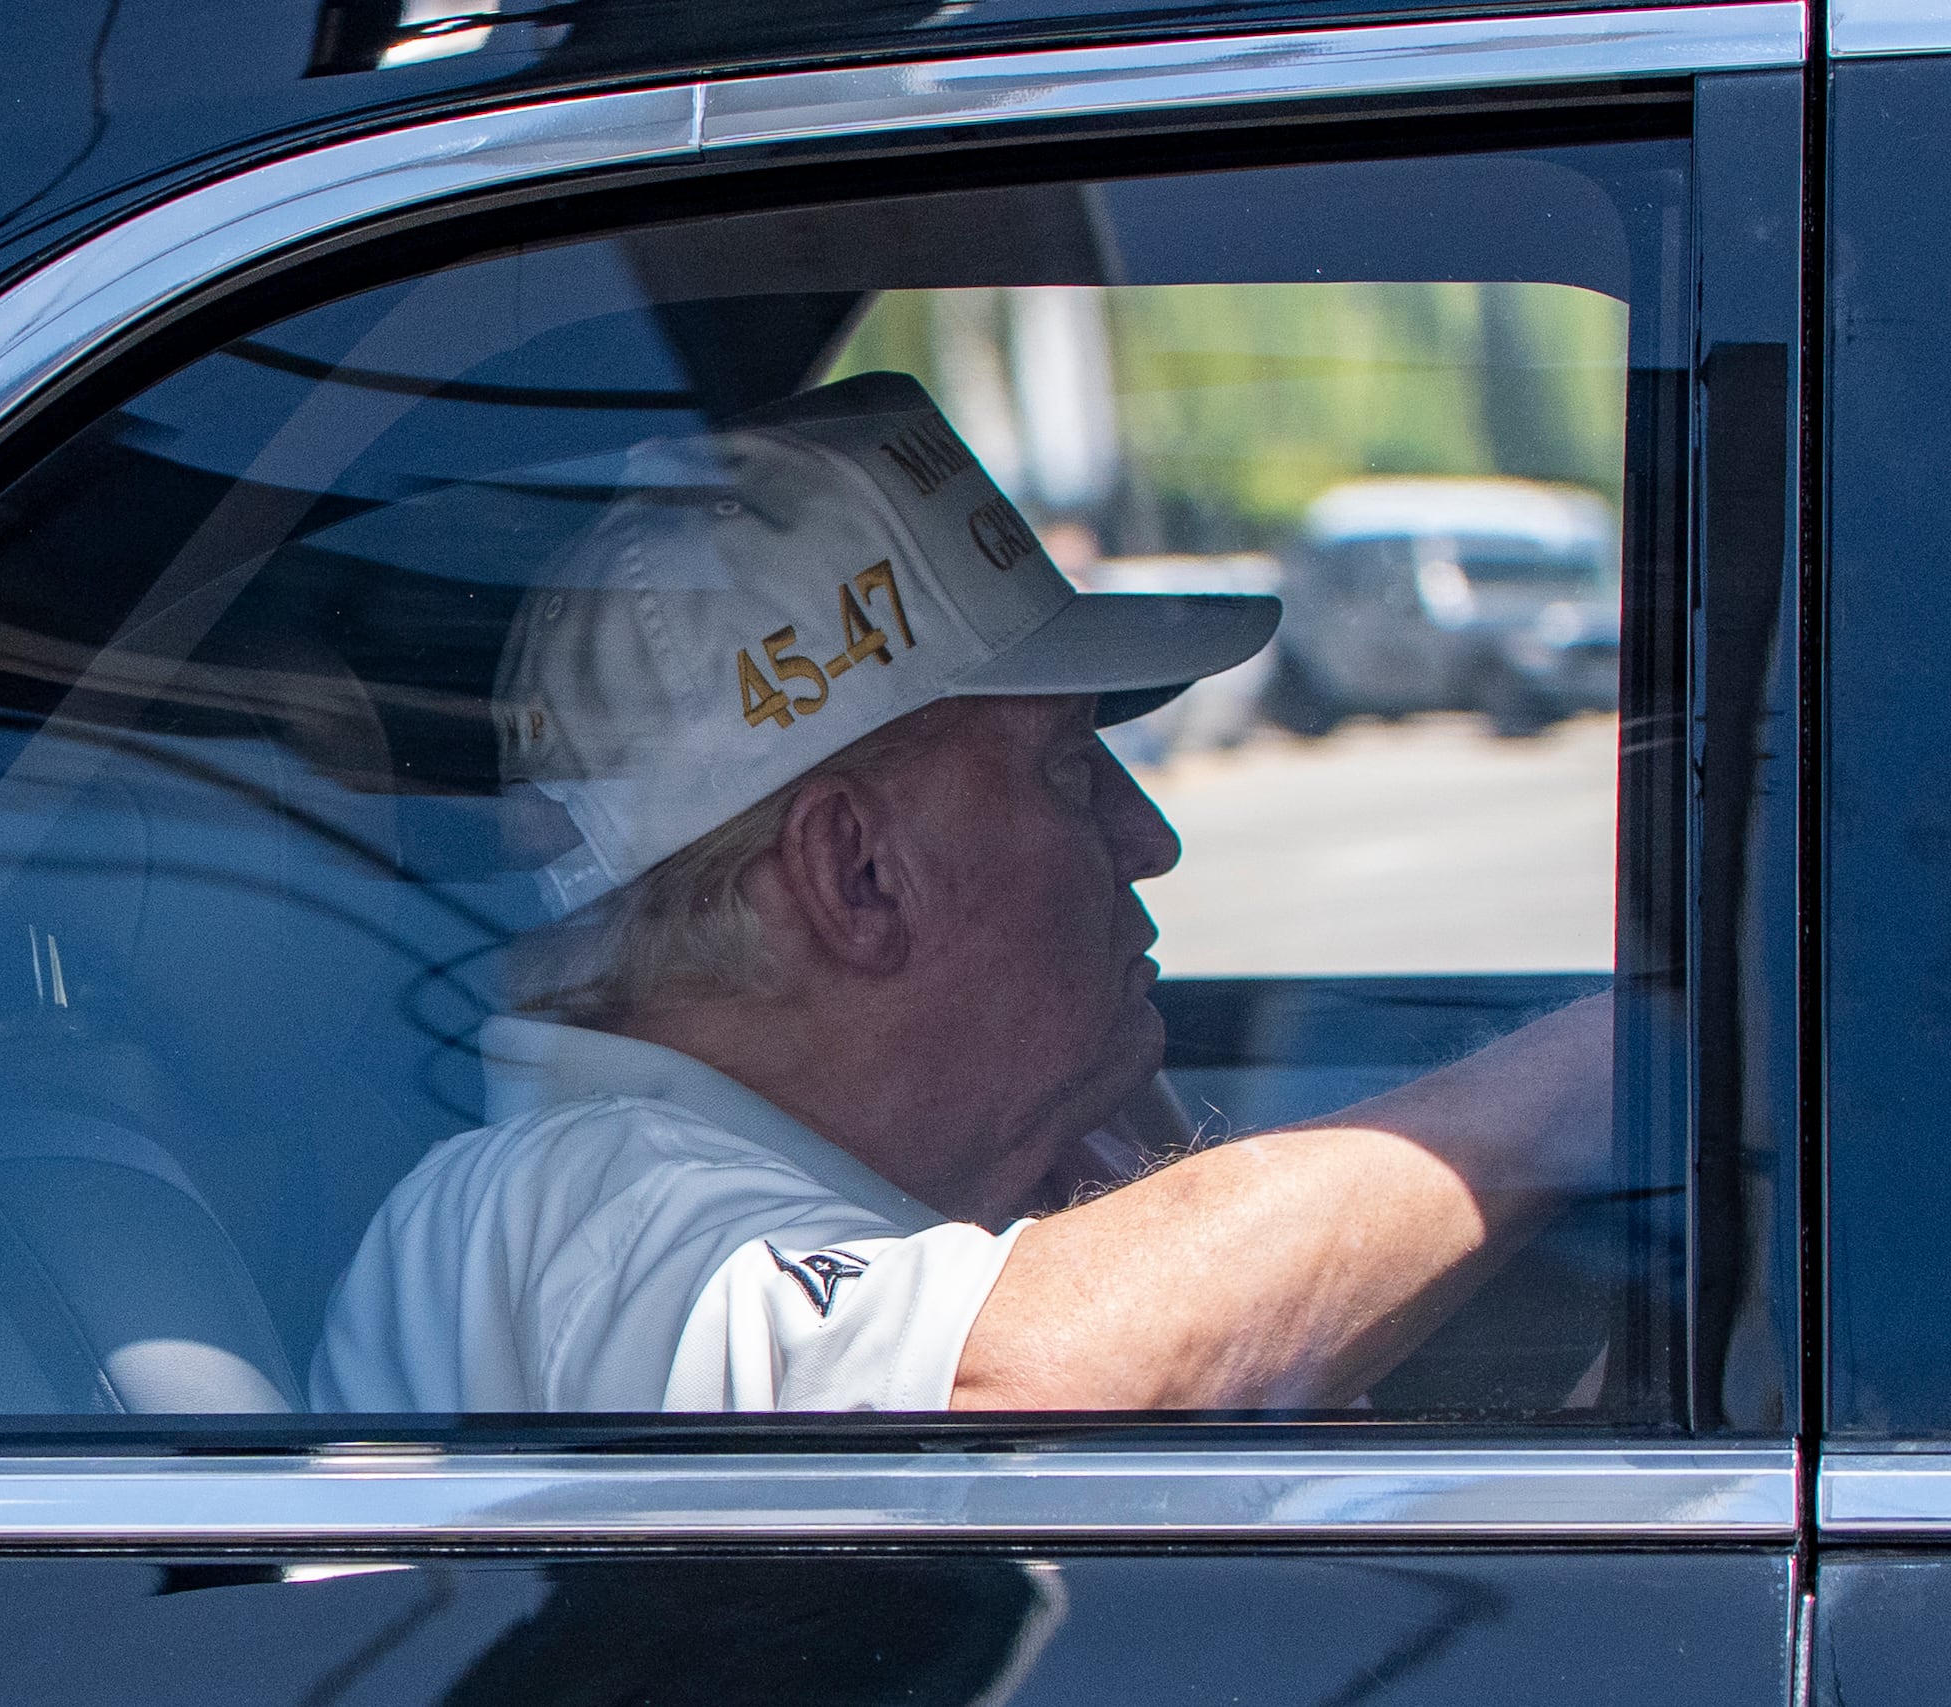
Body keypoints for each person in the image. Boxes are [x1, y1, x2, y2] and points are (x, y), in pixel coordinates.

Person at [309, 372, 1612, 1414]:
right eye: (1062, 769)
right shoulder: (567, 1210)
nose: (1145, 835)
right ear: (855, 875)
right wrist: (1610, 1070)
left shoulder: (899, 1175)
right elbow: (1025, 1387)